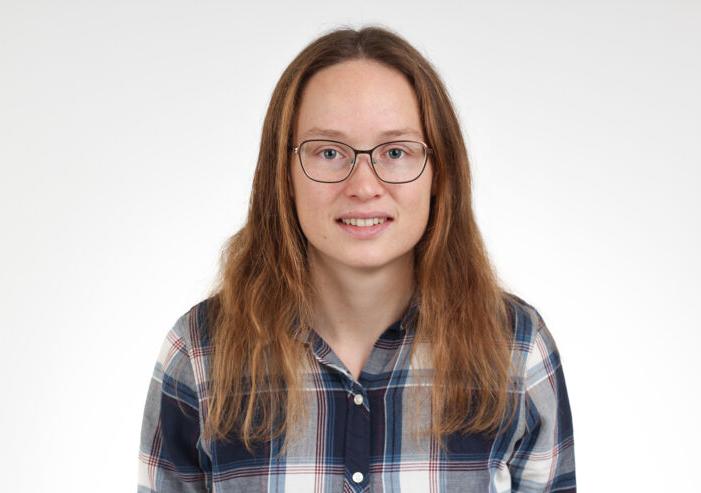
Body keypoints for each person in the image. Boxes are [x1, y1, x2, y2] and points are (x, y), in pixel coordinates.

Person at [138, 26, 575, 492]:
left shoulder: (516, 351)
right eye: (329, 152)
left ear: (438, 173)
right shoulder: (201, 356)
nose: (364, 186)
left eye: (395, 152)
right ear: (282, 175)